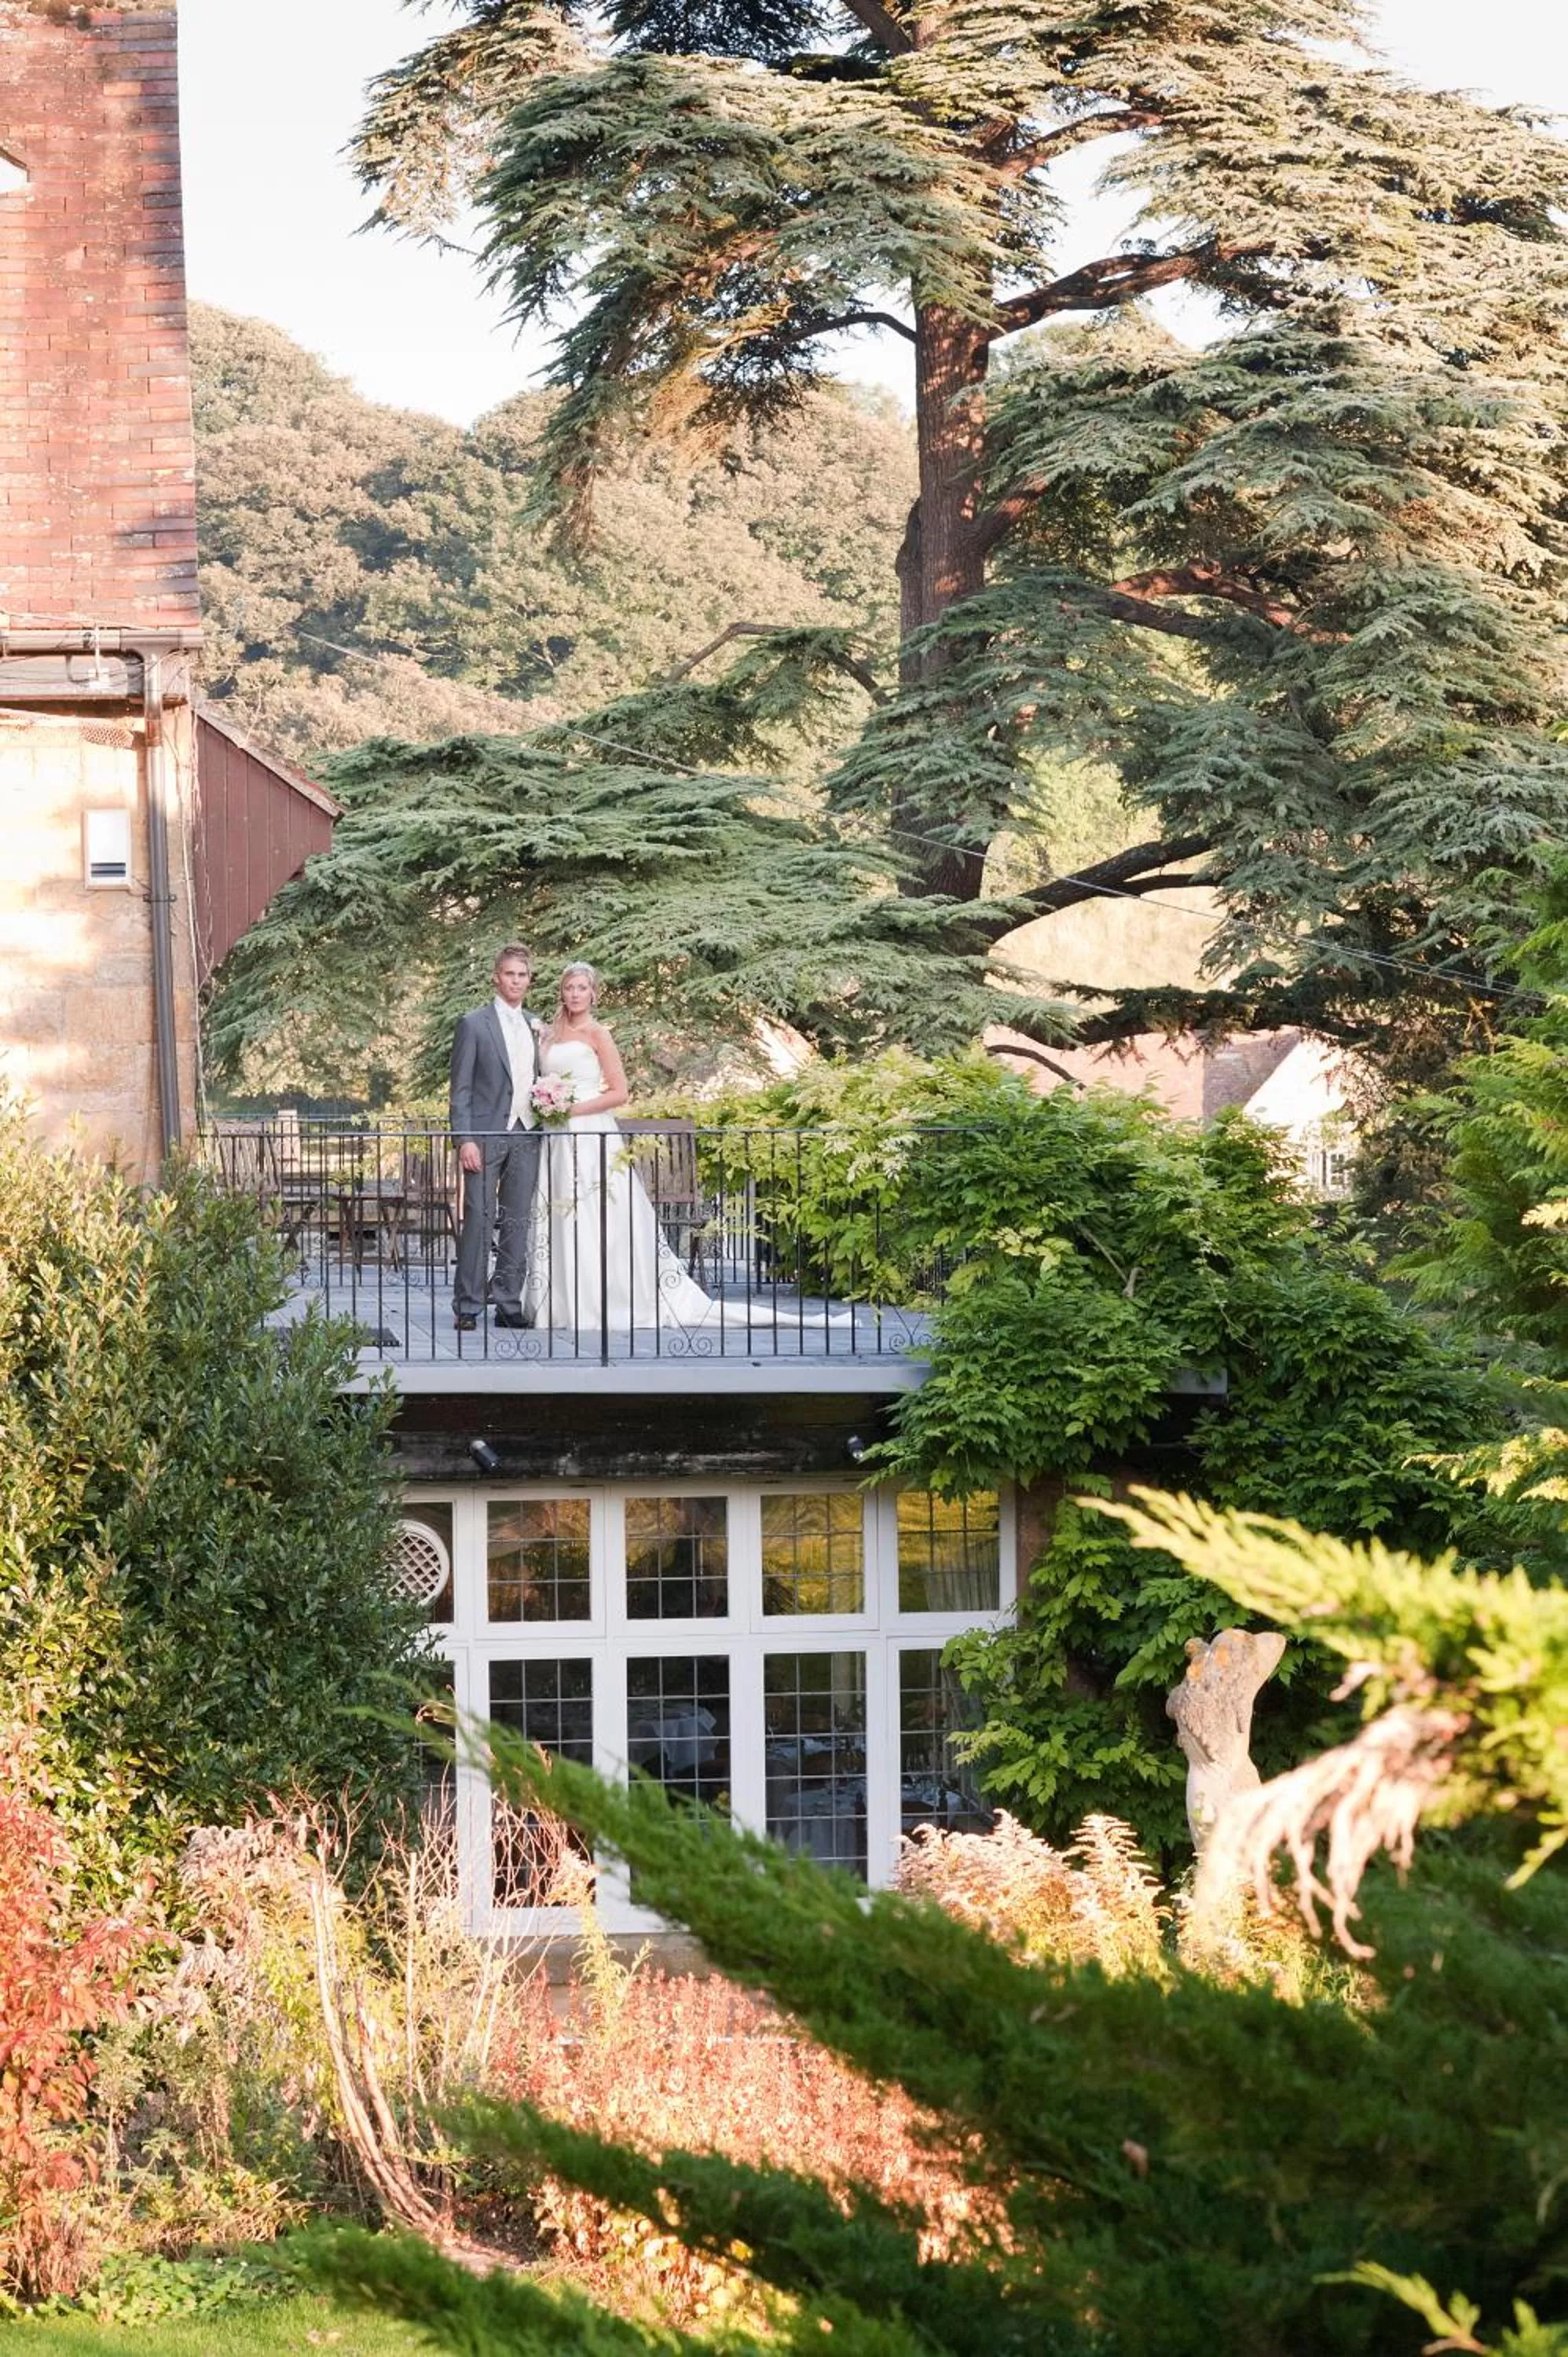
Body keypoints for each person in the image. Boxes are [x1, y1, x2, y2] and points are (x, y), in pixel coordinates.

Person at [526, 962, 720, 1334]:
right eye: (569, 988)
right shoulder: (548, 1034)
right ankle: (561, 1301)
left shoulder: (598, 1033)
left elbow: (619, 1092)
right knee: (559, 1209)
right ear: (561, 992)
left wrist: (570, 1108)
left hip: (589, 1129)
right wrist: (547, 1105)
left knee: (596, 1208)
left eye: (582, 988)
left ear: (593, 993)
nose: (575, 994)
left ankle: (604, 1299)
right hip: (555, 1136)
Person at [449, 944, 544, 1332]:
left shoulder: (537, 1026)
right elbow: (461, 1090)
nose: (516, 981)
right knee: (479, 1218)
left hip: (527, 1134)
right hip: (485, 1135)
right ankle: (468, 1305)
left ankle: (507, 1302)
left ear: (529, 980)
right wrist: (465, 1139)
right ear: (496, 977)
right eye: (509, 974)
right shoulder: (474, 1024)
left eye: (522, 975)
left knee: (518, 1221)